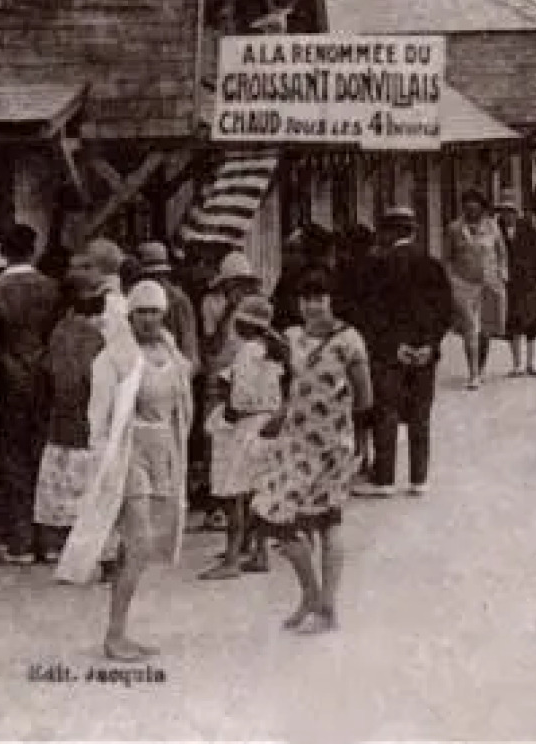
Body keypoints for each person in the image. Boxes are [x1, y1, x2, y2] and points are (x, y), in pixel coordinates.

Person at [56, 281, 192, 663]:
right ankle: (115, 634)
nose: (150, 319)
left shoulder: (171, 353)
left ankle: (120, 628)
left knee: (143, 546)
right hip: (128, 452)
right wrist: (103, 465)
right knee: (139, 542)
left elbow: (182, 407)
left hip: (163, 449)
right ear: (129, 315)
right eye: (142, 311)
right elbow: (98, 420)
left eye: (156, 311)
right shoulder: (113, 358)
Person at [252, 271, 369, 633]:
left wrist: (359, 444)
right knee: (275, 517)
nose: (312, 306)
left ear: (332, 300)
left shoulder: (350, 341)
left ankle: (327, 605)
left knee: (327, 521)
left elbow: (365, 397)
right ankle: (312, 596)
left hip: (333, 446)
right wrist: (281, 415)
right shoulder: (292, 338)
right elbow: (293, 385)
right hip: (295, 443)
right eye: (306, 299)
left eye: (319, 298)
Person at [0, 224, 62, 566]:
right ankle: (49, 538)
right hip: (45, 373)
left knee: (11, 457)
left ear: (2, 250)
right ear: (34, 248)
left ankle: (20, 539)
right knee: (44, 453)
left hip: (8, 377)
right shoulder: (52, 289)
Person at [360, 207, 452, 497]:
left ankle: (385, 479)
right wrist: (430, 345)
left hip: (390, 353)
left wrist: (393, 346)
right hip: (425, 353)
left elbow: (372, 314)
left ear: (388, 232)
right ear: (413, 232)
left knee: (386, 412)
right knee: (420, 413)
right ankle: (418, 479)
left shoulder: (377, 266)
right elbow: (445, 312)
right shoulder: (432, 265)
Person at [199, 295, 284, 580]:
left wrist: (225, 417)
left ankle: (232, 558)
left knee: (233, 494)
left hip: (246, 426)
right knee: (255, 493)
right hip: (266, 424)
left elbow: (241, 399)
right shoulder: (272, 350)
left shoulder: (247, 352)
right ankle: (259, 551)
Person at [35, 272, 108, 564]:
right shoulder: (94, 335)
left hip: (60, 417)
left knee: (59, 479)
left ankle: (56, 543)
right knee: (83, 481)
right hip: (85, 417)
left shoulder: (59, 331)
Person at [443, 190, 508, 391]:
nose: (471, 209)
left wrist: (502, 273)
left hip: (489, 283)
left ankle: (479, 368)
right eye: (467, 205)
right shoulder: (454, 229)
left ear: (481, 207)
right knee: (470, 329)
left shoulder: (492, 226)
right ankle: (473, 374)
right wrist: (450, 280)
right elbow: (447, 257)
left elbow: (502, 253)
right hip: (463, 283)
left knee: (486, 330)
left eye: (475, 205)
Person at [495, 196, 536, 378]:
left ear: (516, 213)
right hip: (508, 284)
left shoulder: (529, 230)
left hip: (528, 283)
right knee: (514, 324)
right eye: (503, 211)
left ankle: (531, 363)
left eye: (510, 211)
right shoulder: (496, 231)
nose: (507, 215)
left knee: (532, 324)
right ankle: (517, 364)